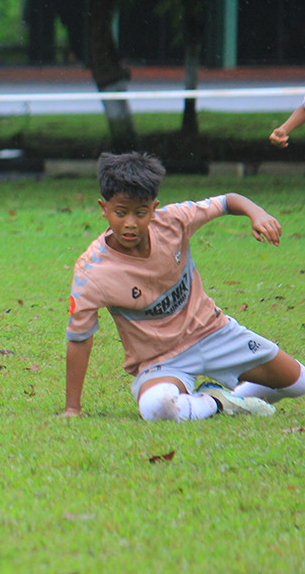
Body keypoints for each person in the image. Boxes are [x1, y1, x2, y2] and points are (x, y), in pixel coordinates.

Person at [63, 152, 305, 421]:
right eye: (120, 212)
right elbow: (79, 338)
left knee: (299, 383)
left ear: (154, 208)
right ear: (103, 208)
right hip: (162, 361)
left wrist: (256, 213)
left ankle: (237, 398)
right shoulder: (92, 271)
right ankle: (216, 401)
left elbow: (226, 201)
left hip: (214, 333)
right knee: (158, 408)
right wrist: (72, 408)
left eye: (140, 213)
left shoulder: (173, 221)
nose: (130, 223)